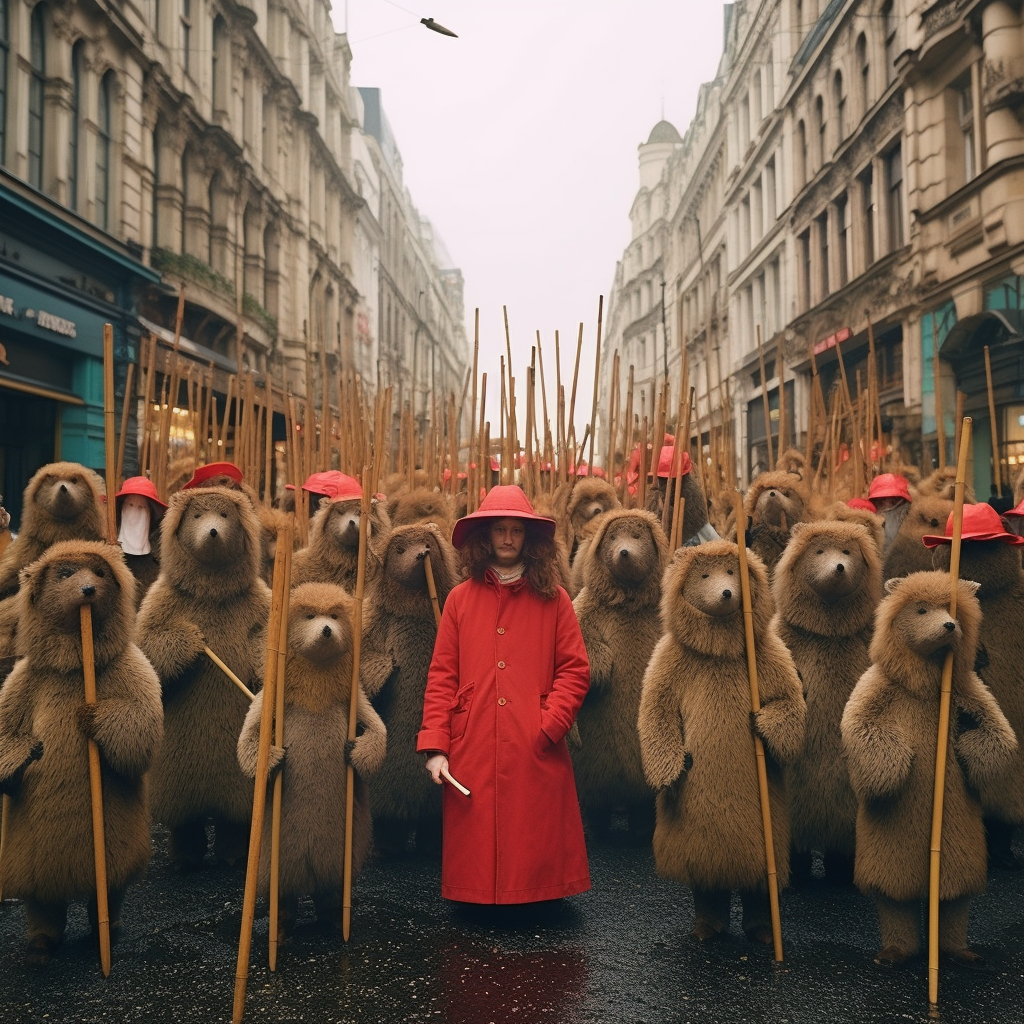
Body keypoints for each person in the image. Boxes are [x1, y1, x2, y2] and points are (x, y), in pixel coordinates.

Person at [417, 485, 591, 905]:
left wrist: (548, 723)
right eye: (500, 529)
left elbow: (575, 670)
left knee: (532, 828)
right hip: (472, 738)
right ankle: (478, 896)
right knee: (478, 821)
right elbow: (443, 674)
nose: (509, 538)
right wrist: (436, 746)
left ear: (530, 539)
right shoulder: (460, 600)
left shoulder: (555, 600)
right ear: (486, 537)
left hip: (534, 739)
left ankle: (535, 895)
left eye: (517, 530)